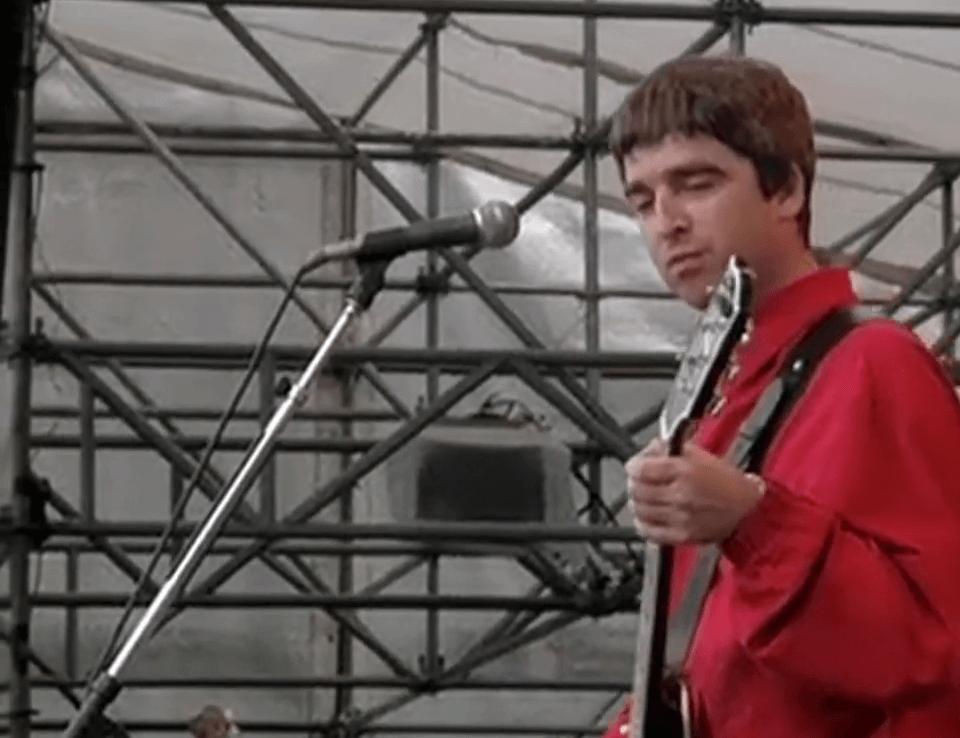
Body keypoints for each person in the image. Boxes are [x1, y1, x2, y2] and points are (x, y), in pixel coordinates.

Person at [603, 53, 960, 738]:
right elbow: (704, 668)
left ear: (787, 189)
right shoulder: (721, 390)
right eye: (641, 200)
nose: (666, 221)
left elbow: (932, 647)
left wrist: (755, 521)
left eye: (696, 183)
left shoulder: (875, 364)